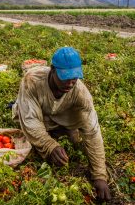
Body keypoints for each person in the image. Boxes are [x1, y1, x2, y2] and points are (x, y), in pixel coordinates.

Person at [12, 46, 111, 202]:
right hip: (37, 114)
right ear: (52, 69)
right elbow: (30, 120)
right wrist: (49, 145)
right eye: (65, 77)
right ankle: (51, 134)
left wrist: (100, 176)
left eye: (75, 77)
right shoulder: (32, 80)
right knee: (32, 138)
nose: (70, 83)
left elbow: (92, 132)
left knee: (75, 140)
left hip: (61, 117)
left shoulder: (81, 94)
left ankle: (61, 130)